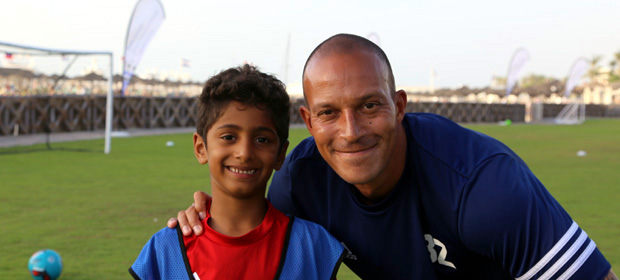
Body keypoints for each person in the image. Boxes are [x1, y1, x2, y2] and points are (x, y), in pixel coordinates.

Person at [170, 34, 617, 279]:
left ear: (399, 106)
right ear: (308, 120)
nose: (350, 131)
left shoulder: (482, 188)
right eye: (329, 113)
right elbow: (250, 237)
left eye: (369, 106)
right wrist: (204, 216)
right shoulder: (301, 185)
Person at [130, 64, 345, 280]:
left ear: (280, 154)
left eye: (262, 140)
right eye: (228, 137)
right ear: (201, 148)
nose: (244, 153)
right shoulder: (166, 250)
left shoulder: (312, 245)